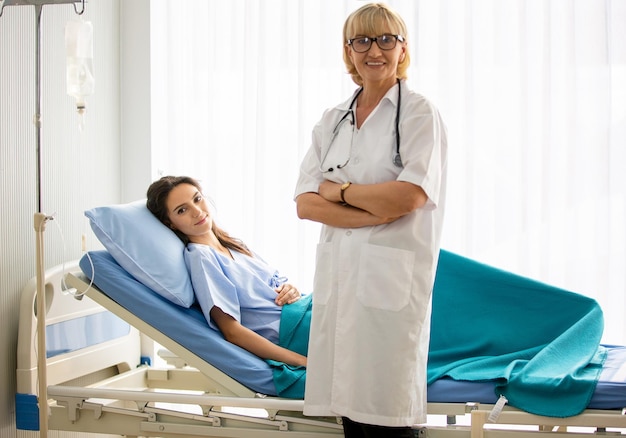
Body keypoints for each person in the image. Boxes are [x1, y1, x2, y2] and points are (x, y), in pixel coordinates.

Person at [294, 3, 448, 437]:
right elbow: (305, 204)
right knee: (350, 418)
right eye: (361, 40)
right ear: (349, 51)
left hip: (389, 291)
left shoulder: (418, 114)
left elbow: (411, 195)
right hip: (341, 285)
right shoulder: (333, 120)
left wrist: (340, 194)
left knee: (389, 418)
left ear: (403, 49)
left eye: (385, 39)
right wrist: (375, 208)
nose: (373, 50)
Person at [147, 175, 307, 368]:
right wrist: (301, 361)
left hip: (301, 309)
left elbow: (276, 281)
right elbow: (232, 332)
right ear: (170, 223)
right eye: (182, 210)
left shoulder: (232, 245)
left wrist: (290, 289)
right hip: (293, 329)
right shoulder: (201, 258)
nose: (197, 212)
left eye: (197, 199)